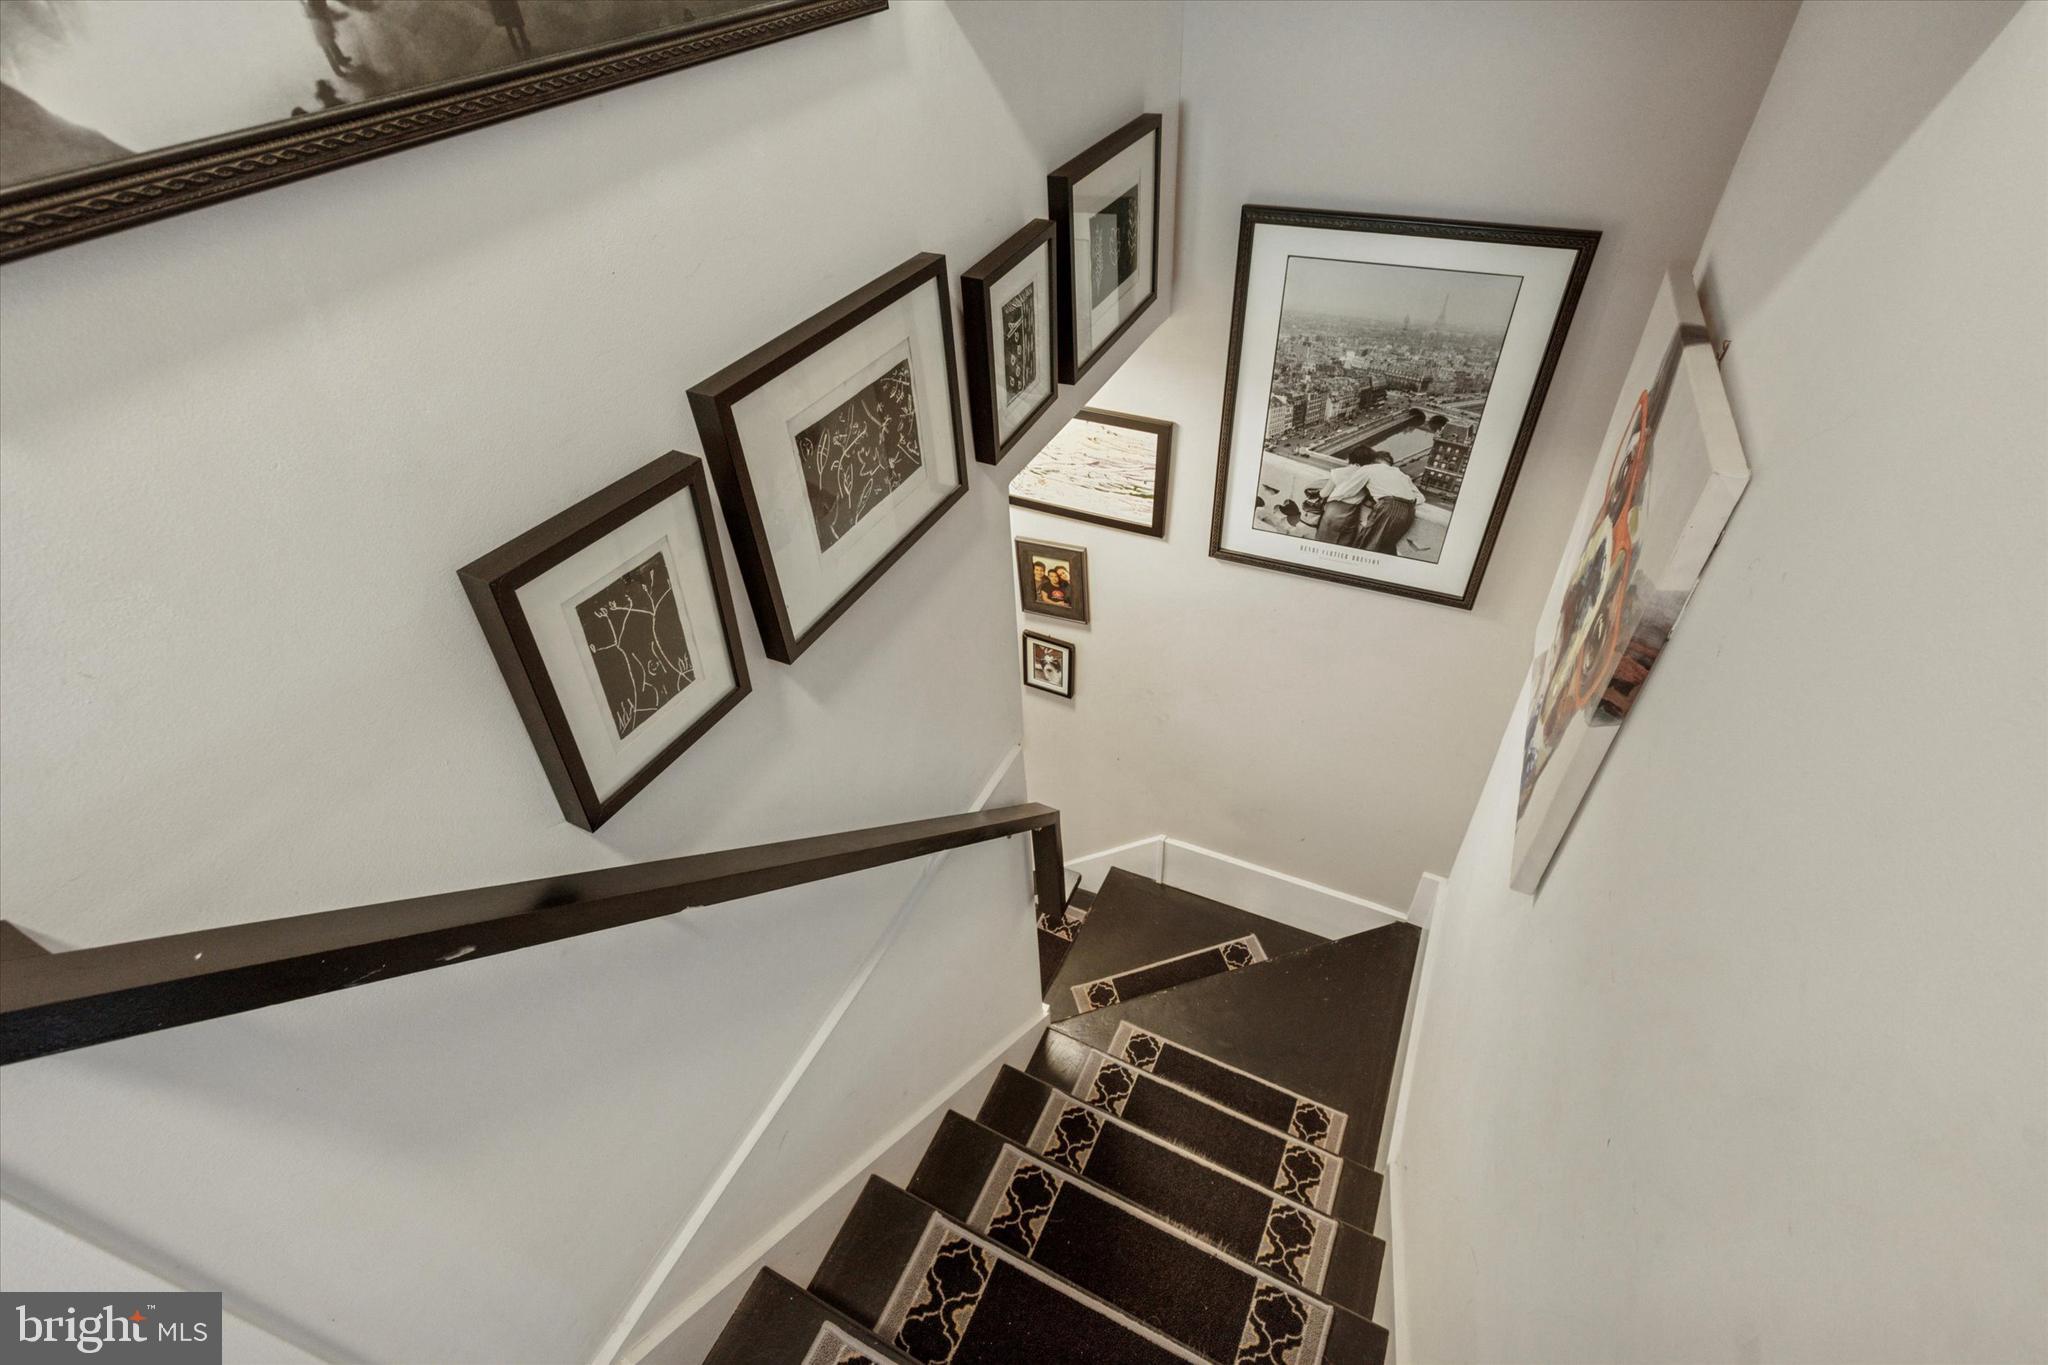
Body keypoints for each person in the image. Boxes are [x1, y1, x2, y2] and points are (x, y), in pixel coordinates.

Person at [1353, 451, 1426, 553]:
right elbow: (1420, 498)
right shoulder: (1402, 475)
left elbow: (1351, 488)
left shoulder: (1368, 469)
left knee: (1368, 544)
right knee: (1387, 547)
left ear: (1374, 461)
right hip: (1408, 511)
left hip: (1388, 508)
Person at [302, 0, 354, 76]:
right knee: (328, 51)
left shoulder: (312, 6)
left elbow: (328, 12)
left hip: (322, 30)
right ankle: (338, 71)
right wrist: (342, 16)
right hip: (322, 31)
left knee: (333, 46)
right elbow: (330, 15)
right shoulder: (318, 10)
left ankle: (341, 60)